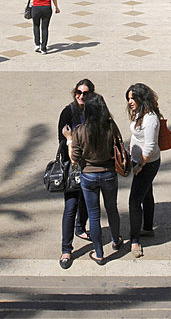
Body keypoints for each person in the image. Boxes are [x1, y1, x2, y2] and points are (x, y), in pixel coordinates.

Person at [66, 92, 123, 265]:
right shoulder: (110, 126)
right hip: (109, 173)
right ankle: (116, 240)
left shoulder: (80, 131)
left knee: (94, 215)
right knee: (112, 208)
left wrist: (69, 140)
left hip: (88, 175)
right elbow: (119, 144)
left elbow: (74, 158)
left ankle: (99, 253)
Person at [57, 78, 95, 268]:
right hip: (73, 167)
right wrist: (72, 142)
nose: (81, 96)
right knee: (70, 206)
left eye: (85, 93)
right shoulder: (68, 112)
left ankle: (80, 227)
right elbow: (62, 142)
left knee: (88, 203)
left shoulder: (95, 111)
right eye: (78, 92)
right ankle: (66, 250)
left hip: (91, 166)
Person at [126, 83, 161, 259]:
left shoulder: (150, 119)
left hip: (147, 165)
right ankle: (147, 227)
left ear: (141, 98)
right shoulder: (141, 113)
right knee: (146, 194)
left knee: (134, 201)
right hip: (139, 162)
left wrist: (141, 165)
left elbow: (150, 147)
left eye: (133, 98)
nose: (130, 101)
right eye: (129, 98)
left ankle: (134, 240)